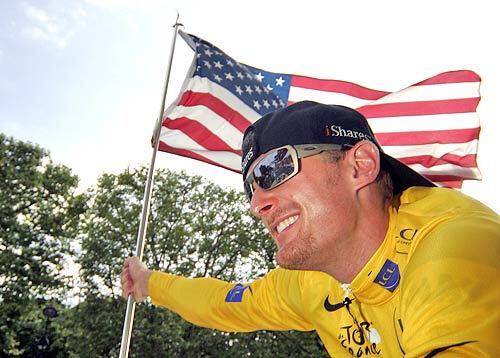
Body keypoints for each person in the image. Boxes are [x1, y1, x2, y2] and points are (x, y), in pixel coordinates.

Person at [122, 101, 500, 357]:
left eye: (273, 170)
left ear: (360, 165)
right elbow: (225, 303)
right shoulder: (314, 283)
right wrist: (148, 283)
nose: (257, 205)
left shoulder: (452, 248)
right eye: (250, 189)